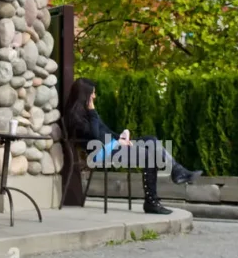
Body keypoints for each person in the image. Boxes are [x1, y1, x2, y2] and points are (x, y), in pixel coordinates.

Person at [64, 77, 202, 215]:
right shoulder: (76, 118)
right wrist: (94, 113)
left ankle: (177, 170)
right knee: (148, 156)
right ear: (85, 95)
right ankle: (151, 202)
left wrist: (121, 136)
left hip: (113, 147)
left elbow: (106, 131)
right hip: (100, 154)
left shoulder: (88, 114)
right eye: (92, 93)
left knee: (151, 140)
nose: (95, 96)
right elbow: (95, 137)